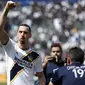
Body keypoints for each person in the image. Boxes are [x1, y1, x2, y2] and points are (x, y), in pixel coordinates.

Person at [0, 1, 46, 85]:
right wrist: (6, 9)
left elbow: (41, 76)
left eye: (25, 32)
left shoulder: (36, 56)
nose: (22, 34)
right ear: (17, 33)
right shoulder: (10, 46)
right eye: (20, 32)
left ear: (30, 35)